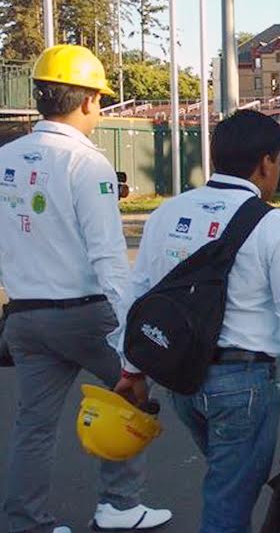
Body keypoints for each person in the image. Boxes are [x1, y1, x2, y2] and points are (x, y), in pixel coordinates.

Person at [122, 110, 280, 533]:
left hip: (182, 380)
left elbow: (139, 297)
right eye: (277, 161)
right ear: (266, 163)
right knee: (229, 497)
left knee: (227, 480)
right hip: (243, 386)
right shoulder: (277, 225)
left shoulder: (167, 213)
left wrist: (131, 369)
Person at [0, 45, 171, 533]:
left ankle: (23, 522)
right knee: (133, 392)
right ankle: (119, 505)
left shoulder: (5, 157)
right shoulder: (87, 163)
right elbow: (108, 258)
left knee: (32, 425)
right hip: (85, 312)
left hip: (26, 318)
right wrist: (132, 338)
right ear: (89, 101)